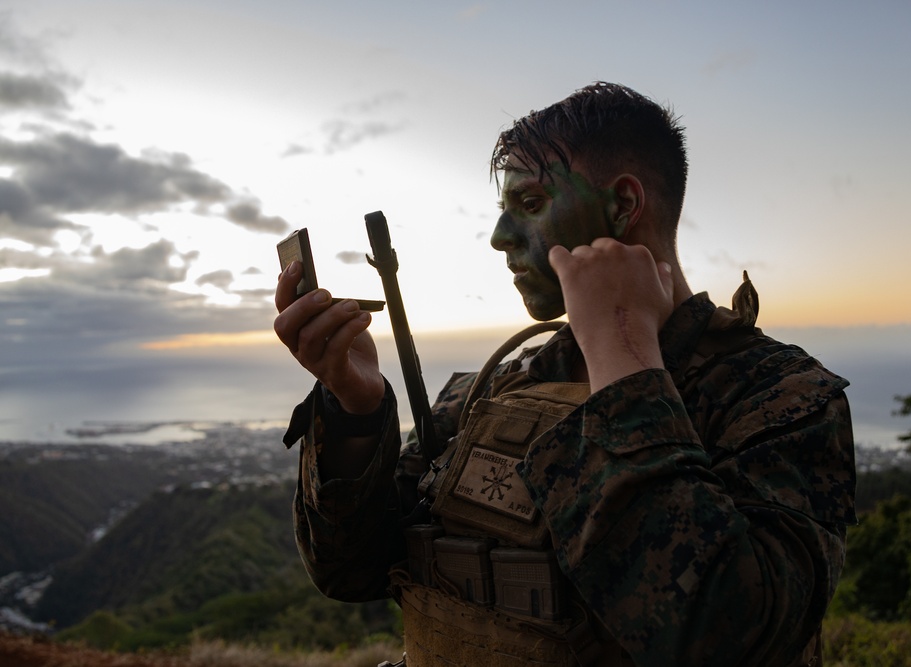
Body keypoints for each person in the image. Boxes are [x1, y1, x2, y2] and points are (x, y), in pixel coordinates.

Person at [273, 82, 856, 667]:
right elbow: (352, 570)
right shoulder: (498, 388)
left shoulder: (780, 398)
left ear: (623, 206)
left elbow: (728, 638)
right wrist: (356, 406)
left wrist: (623, 354)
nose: (500, 239)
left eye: (530, 204)